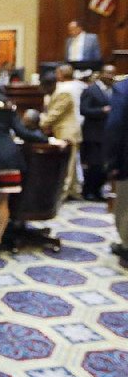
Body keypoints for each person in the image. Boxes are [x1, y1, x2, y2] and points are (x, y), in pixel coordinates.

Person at [0, 76, 46, 255]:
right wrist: (44, 138)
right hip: (9, 156)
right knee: (3, 201)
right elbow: (22, 132)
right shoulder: (7, 108)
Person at [40, 66, 83, 202]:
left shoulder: (63, 93)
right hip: (62, 130)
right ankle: (74, 191)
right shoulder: (56, 92)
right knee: (72, 164)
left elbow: (54, 114)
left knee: (68, 166)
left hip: (68, 132)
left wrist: (40, 123)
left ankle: (63, 195)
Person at [80, 65, 116, 201]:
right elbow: (83, 109)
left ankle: (97, 190)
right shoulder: (91, 90)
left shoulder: (114, 90)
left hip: (108, 134)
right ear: (101, 74)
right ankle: (88, 191)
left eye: (112, 73)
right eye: (107, 73)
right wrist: (102, 111)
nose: (110, 76)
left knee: (104, 166)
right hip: (93, 134)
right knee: (93, 165)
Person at [105, 78, 128, 261]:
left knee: (125, 207)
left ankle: (126, 248)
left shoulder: (124, 88)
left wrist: (111, 162)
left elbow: (115, 126)